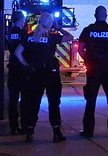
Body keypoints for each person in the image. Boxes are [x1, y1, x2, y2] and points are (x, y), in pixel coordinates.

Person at [14, 12, 73, 143]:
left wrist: (26, 64)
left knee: (34, 103)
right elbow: (70, 37)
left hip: (35, 73)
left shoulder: (30, 37)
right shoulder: (52, 37)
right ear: (50, 24)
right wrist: (58, 28)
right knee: (54, 103)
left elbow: (17, 52)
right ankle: (57, 133)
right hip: (51, 74)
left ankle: (29, 131)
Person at [78, 6, 108, 138]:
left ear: (94, 15)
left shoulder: (88, 30)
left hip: (93, 70)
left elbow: (81, 50)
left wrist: (88, 60)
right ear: (106, 15)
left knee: (90, 101)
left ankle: (88, 131)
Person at [6, 10, 28, 135]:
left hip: (12, 68)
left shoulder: (8, 33)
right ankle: (24, 126)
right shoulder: (23, 33)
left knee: (13, 99)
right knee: (24, 99)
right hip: (21, 68)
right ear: (20, 19)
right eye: (24, 19)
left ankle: (13, 126)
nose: (24, 21)